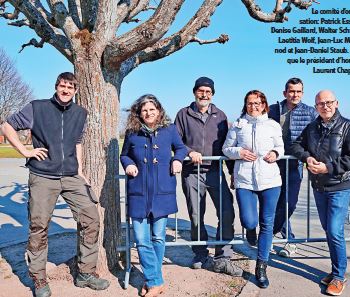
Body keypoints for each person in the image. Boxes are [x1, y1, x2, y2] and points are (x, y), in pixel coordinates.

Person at [0, 72, 109, 297]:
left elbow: (77, 142)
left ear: (76, 90)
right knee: (39, 226)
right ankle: (39, 280)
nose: (66, 90)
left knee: (91, 219)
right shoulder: (37, 107)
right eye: (62, 86)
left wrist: (80, 170)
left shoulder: (81, 113)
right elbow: (6, 126)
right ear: (56, 87)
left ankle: (85, 273)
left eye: (70, 87)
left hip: (71, 176)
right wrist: (25, 151)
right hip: (42, 175)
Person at [290, 90, 350, 296]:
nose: (325, 106)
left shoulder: (349, 126)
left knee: (334, 230)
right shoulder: (312, 127)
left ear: (337, 103)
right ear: (316, 107)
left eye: (329, 102)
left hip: (340, 185)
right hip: (319, 186)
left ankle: (339, 277)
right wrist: (307, 158)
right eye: (321, 103)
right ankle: (334, 271)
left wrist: (328, 168)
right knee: (329, 229)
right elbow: (295, 145)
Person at [174, 77, 242, 276]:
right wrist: (188, 152)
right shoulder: (183, 114)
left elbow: (227, 147)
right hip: (191, 173)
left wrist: (232, 173)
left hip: (214, 171)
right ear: (194, 92)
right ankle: (200, 254)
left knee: (227, 211)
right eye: (201, 91)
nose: (204, 95)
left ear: (212, 94)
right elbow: (175, 141)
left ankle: (223, 255)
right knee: (196, 216)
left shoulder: (220, 115)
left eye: (208, 92)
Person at [120, 94, 187, 297]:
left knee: (158, 238)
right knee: (141, 239)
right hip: (139, 193)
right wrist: (129, 164)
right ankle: (156, 280)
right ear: (139, 113)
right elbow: (124, 154)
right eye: (144, 110)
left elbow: (182, 148)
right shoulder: (132, 133)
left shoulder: (170, 130)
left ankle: (152, 281)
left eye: (152, 109)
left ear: (159, 110)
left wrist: (178, 160)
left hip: (162, 193)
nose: (148, 113)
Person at [223, 90, 284, 288]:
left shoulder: (273, 125)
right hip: (245, 181)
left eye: (257, 103)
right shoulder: (238, 125)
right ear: (245, 105)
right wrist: (239, 152)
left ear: (264, 104)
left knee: (267, 224)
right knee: (249, 220)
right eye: (250, 103)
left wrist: (275, 153)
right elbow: (226, 149)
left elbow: (281, 148)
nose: (254, 106)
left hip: (270, 181)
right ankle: (250, 230)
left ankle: (261, 267)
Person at [268, 77, 317, 257]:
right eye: (291, 91)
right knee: (275, 202)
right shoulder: (273, 109)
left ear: (302, 93)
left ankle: (268, 234)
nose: (295, 94)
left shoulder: (310, 112)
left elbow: (322, 131)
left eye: (298, 91)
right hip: (273, 162)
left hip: (295, 163)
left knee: (290, 203)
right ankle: (289, 240)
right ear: (285, 93)